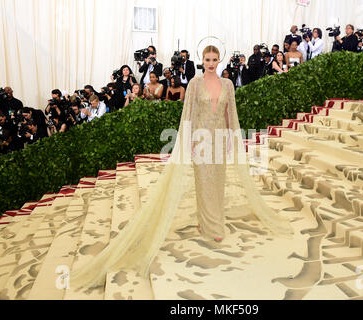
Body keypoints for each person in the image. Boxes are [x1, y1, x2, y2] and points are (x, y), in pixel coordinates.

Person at [70, 45, 294, 290]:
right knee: (204, 182)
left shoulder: (228, 85)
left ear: (219, 60)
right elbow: (188, 114)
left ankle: (214, 222)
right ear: (202, 60)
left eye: (214, 59)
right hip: (200, 140)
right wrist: (186, 141)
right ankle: (206, 223)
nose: (211, 62)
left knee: (217, 182)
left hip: (219, 140)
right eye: (207, 59)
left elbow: (232, 113)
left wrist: (232, 138)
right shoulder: (195, 84)